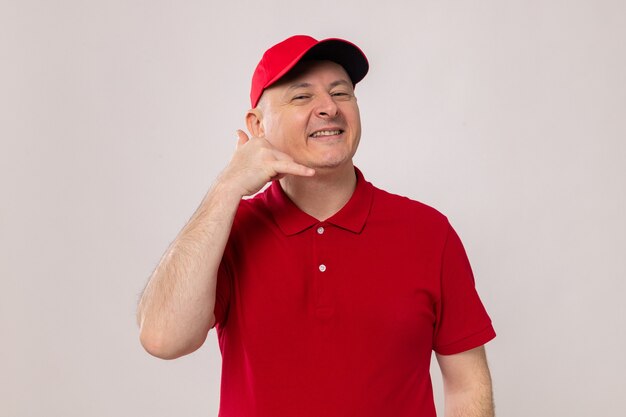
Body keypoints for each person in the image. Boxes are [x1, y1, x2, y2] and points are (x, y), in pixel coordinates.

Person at [137, 35, 496, 417]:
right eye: (302, 96)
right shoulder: (227, 232)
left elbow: (467, 384)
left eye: (341, 93)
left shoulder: (428, 232)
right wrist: (226, 187)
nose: (329, 108)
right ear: (257, 125)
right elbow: (163, 338)